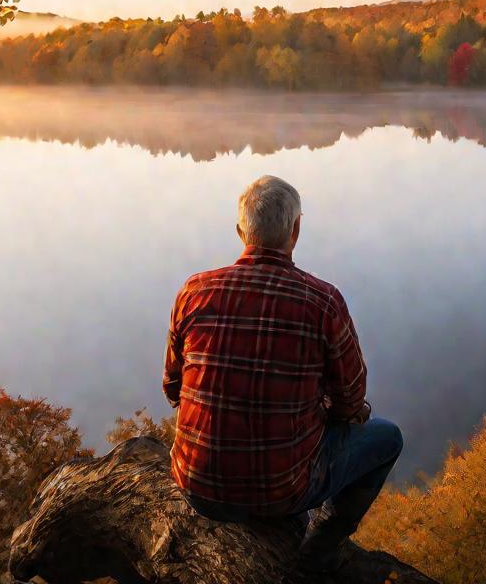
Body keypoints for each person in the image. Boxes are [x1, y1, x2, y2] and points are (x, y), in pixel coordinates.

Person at [163, 174, 402, 572]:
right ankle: (317, 552)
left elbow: (173, 388)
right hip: (281, 494)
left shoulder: (194, 291)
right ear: (296, 230)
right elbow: (349, 400)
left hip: (195, 487)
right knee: (387, 438)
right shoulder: (323, 301)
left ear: (241, 232)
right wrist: (331, 411)